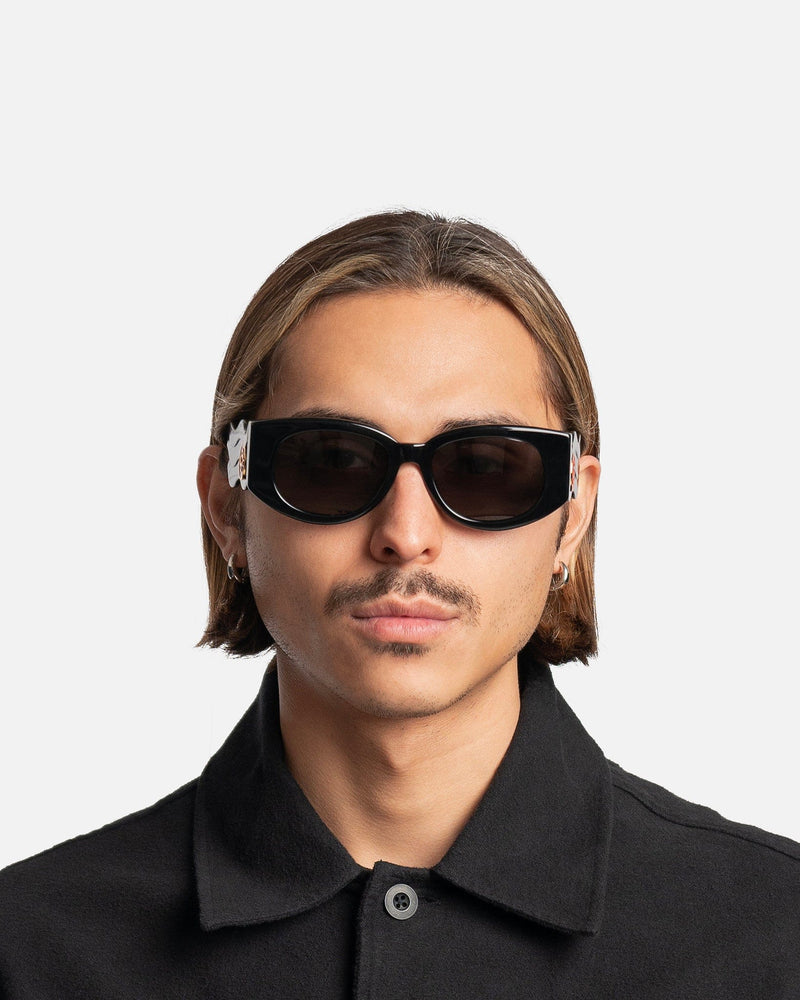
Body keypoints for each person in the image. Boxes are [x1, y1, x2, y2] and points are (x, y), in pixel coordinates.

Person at [0, 211, 797, 997]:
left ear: (573, 514)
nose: (406, 536)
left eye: (485, 467)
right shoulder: (33, 950)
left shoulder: (774, 938)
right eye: (332, 461)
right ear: (226, 506)